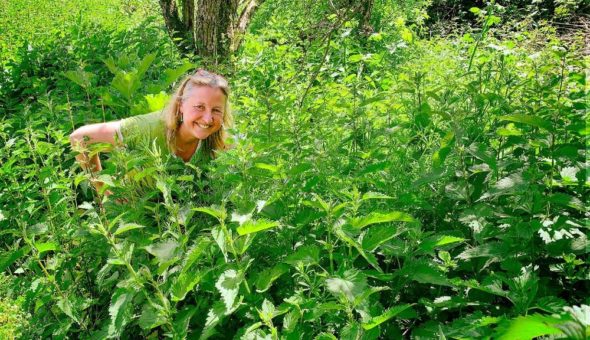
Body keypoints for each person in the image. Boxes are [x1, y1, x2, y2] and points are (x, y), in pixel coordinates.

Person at [70, 69, 233, 195]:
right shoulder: (146, 128)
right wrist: (103, 190)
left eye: (216, 110)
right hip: (135, 217)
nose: (207, 119)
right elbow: (80, 138)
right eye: (199, 107)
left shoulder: (219, 139)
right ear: (181, 105)